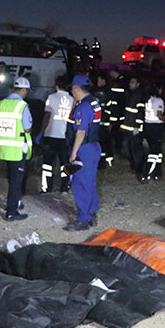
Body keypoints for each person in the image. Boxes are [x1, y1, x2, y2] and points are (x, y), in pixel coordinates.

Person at [63, 74, 102, 231]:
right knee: (90, 182)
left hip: (83, 148)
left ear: (76, 88)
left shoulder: (83, 107)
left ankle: (83, 220)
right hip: (93, 147)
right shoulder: (93, 102)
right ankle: (91, 214)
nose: (71, 91)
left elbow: (80, 132)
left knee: (80, 183)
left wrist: (73, 154)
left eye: (72, 88)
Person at [0, 77, 33, 221]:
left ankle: (15, 202)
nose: (26, 93)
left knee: (11, 178)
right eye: (26, 91)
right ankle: (11, 212)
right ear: (23, 90)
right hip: (17, 148)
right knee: (16, 181)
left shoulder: (0, 104)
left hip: (4, 147)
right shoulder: (22, 106)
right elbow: (27, 128)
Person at [37, 75, 73, 194]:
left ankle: (46, 188)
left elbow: (47, 116)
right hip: (65, 136)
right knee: (65, 164)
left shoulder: (51, 97)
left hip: (51, 135)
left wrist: (41, 132)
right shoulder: (72, 99)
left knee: (47, 164)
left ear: (56, 85)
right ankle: (65, 188)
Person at [120, 75, 146, 178]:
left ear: (138, 84)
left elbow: (139, 112)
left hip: (133, 127)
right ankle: (134, 166)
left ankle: (139, 168)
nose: (130, 84)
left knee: (136, 150)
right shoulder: (131, 94)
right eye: (130, 82)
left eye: (133, 82)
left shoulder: (138, 95)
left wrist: (137, 127)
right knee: (131, 148)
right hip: (128, 126)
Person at [142, 83, 165, 182]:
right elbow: (159, 115)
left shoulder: (148, 99)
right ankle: (146, 174)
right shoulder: (159, 101)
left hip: (147, 126)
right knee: (154, 152)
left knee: (158, 152)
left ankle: (158, 173)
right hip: (156, 127)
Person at [92, 72, 113, 169]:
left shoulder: (107, 92)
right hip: (98, 122)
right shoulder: (95, 91)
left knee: (102, 143)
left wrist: (109, 122)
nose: (98, 82)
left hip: (102, 122)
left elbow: (110, 109)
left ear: (104, 81)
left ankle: (101, 163)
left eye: (100, 80)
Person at [107, 65, 127, 153]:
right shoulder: (115, 81)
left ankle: (118, 146)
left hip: (119, 109)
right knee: (115, 128)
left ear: (113, 71)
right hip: (115, 109)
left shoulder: (121, 81)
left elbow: (121, 95)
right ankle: (117, 145)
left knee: (117, 129)